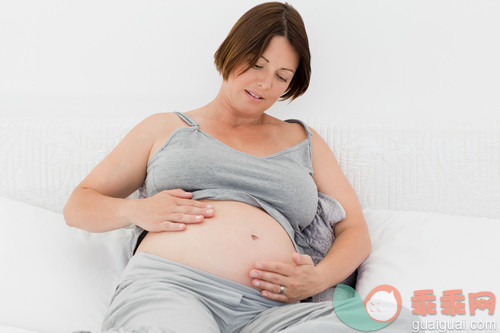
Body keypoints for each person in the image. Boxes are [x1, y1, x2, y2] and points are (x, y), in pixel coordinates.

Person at [64, 2, 377, 332]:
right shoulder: (164, 128)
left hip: (274, 309)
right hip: (173, 289)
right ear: (233, 51)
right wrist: (137, 211)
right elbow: (78, 205)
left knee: (384, 325)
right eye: (257, 65)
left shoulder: (304, 140)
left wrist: (318, 278)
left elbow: (354, 230)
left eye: (281, 77)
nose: (265, 84)